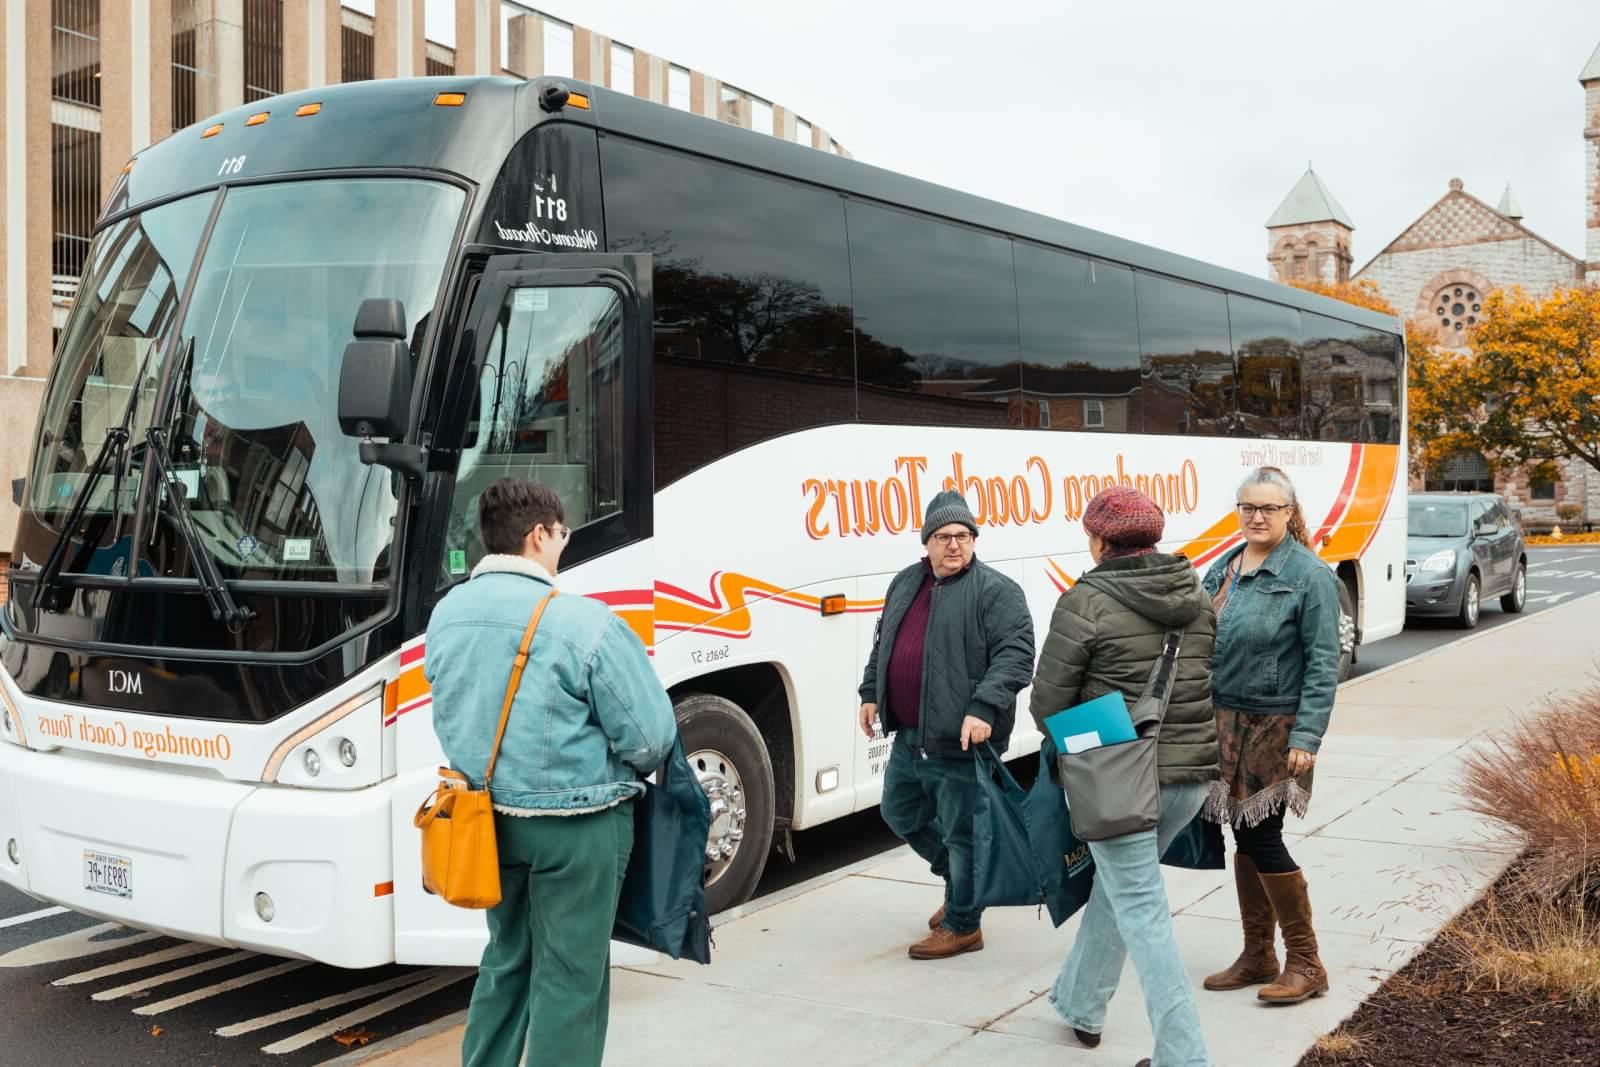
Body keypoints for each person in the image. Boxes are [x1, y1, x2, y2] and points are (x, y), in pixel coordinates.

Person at [425, 478, 677, 1067]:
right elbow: (652, 737)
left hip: (486, 822)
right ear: (539, 535)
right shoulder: (584, 622)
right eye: (562, 534)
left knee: (506, 959)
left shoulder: (447, 615)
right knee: (570, 977)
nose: (563, 544)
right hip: (577, 828)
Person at [1031, 486, 1219, 1067]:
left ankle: (1183, 1058)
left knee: (1144, 913)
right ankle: (1081, 1003)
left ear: (1099, 540)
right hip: (1189, 779)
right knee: (1120, 891)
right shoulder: (1197, 593)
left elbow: (1047, 706)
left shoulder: (1086, 601)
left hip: (1120, 782)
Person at [858, 489, 1035, 960]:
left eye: (963, 535)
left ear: (974, 540)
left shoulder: (997, 591)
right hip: (910, 735)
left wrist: (982, 706)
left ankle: (963, 922)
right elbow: (885, 643)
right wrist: (870, 693)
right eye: (943, 536)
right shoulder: (906, 583)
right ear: (927, 542)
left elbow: (1016, 658)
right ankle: (960, 882)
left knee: (963, 833)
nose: (954, 544)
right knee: (899, 812)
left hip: (960, 739)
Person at [1200, 466, 1340, 1006]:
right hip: (1225, 721)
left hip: (1275, 725)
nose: (1256, 517)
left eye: (1268, 508)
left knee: (1262, 836)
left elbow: (1325, 663)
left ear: (1289, 513)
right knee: (1241, 832)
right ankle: (1258, 954)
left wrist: (1307, 736)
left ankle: (1307, 962)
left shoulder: (1310, 574)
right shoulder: (1226, 566)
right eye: (1247, 507)